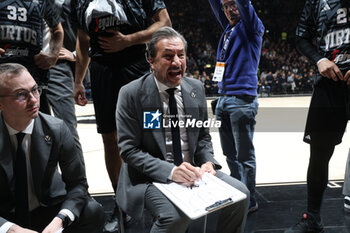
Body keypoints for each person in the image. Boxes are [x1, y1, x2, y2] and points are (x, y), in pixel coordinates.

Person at [115, 26, 249, 233]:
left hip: (193, 172)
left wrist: (207, 162)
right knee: (175, 217)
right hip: (149, 177)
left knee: (241, 194)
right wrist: (171, 171)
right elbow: (129, 150)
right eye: (168, 56)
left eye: (181, 55)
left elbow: (203, 136)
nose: (177, 62)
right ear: (151, 60)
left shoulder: (196, 88)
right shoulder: (131, 93)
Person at [72, 0, 171, 231]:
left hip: (135, 63)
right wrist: (78, 80)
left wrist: (127, 40)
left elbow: (165, 23)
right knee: (110, 138)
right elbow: (83, 40)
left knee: (151, 134)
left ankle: (161, 198)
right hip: (101, 68)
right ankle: (122, 206)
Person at [0, 63, 105, 233]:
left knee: (93, 211)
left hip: (47, 209)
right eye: (21, 95)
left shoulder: (56, 128)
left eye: (35, 90)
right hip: (5, 214)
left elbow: (78, 184)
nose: (33, 100)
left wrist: (60, 220)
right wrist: (9, 229)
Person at [285, 0, 350, 232]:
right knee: (319, 154)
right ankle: (313, 219)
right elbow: (301, 37)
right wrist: (319, 59)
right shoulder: (315, 1)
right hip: (328, 84)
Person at [207, 0, 264, 212]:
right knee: (230, 154)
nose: (230, 9)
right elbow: (215, 3)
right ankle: (239, 191)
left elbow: (243, 4)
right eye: (225, 6)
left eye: (234, 4)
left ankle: (249, 199)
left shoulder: (251, 27)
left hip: (242, 100)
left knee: (244, 156)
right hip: (223, 99)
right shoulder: (229, 29)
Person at [0, 0, 64, 114]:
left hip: (33, 77)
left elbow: (58, 30)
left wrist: (53, 55)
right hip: (2, 76)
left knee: (37, 126)